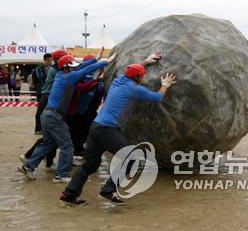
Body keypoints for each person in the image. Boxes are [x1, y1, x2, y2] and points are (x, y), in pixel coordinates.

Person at [60, 53, 176, 206]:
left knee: (89, 165)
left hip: (95, 127)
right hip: (107, 130)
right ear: (137, 78)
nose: (143, 78)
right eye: (141, 76)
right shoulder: (134, 89)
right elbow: (157, 97)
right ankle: (109, 189)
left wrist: (146, 61)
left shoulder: (118, 81)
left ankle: (69, 194)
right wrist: (165, 85)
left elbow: (132, 70)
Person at [18, 52, 113, 183]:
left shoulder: (61, 74)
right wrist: (105, 62)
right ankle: (61, 175)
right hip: (54, 117)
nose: (75, 68)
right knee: (67, 146)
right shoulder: (68, 77)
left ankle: (28, 166)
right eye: (72, 66)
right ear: (66, 67)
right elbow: (84, 70)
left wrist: (95, 59)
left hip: (48, 115)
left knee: (48, 143)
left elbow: (81, 67)